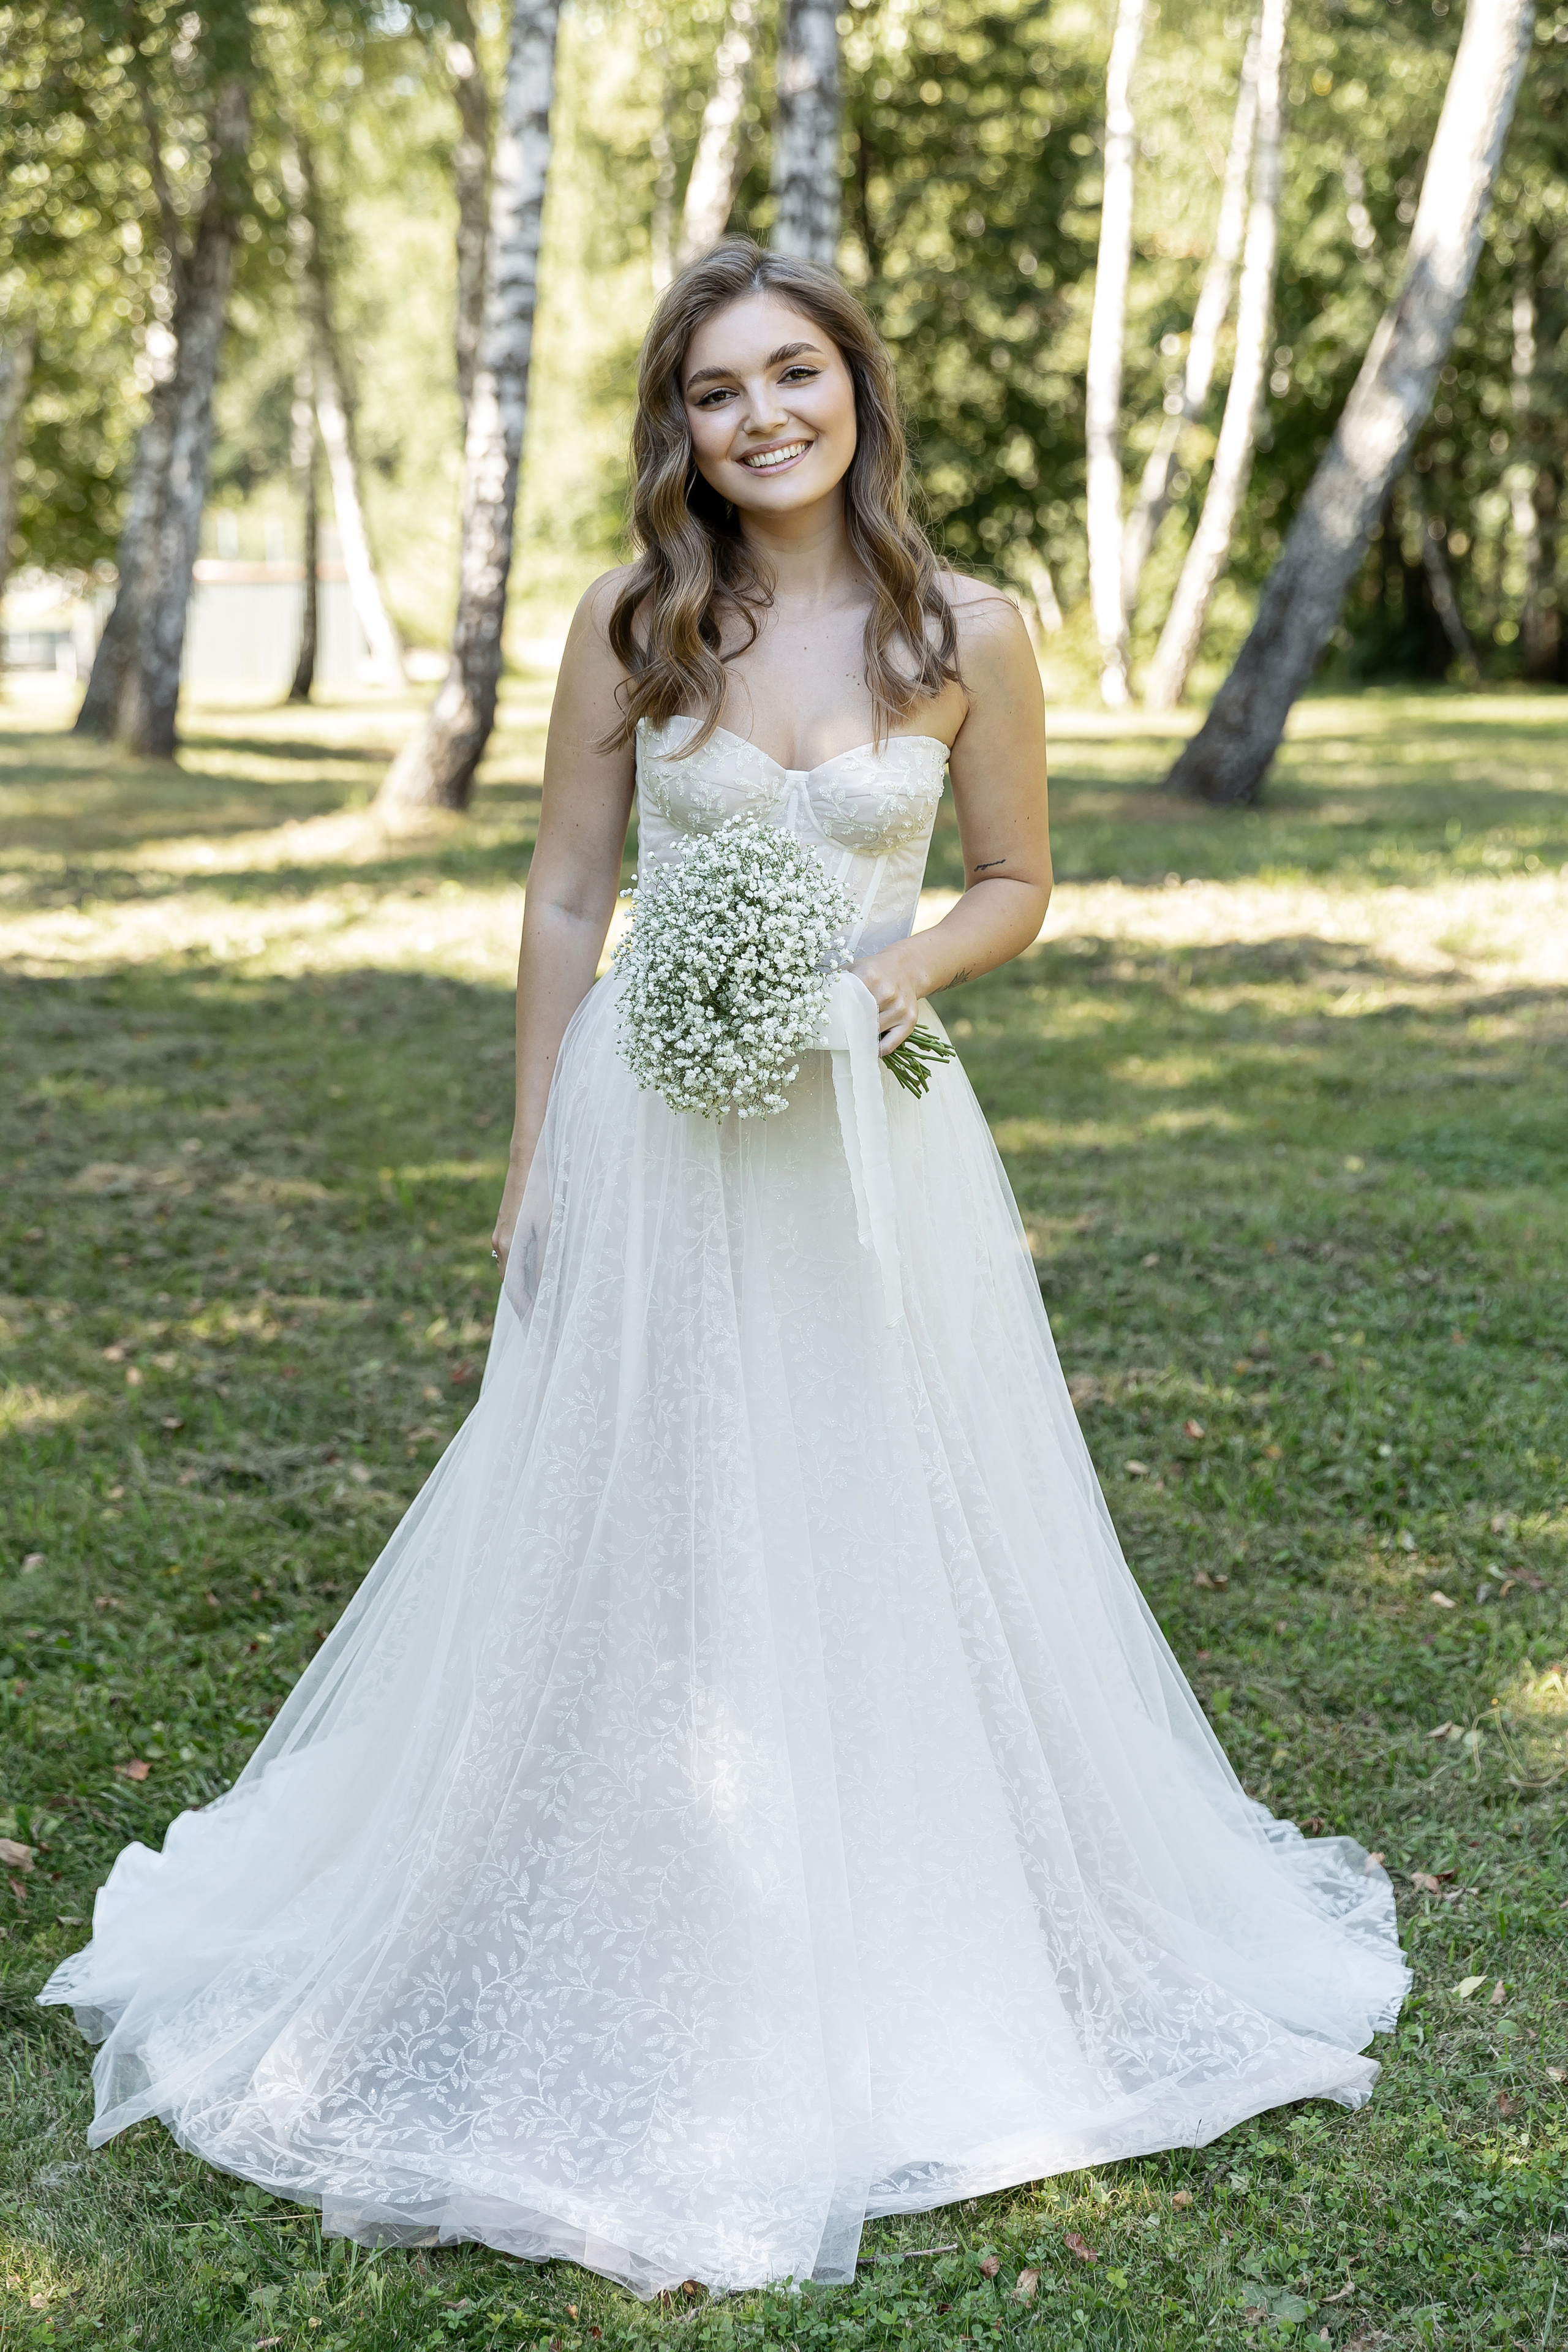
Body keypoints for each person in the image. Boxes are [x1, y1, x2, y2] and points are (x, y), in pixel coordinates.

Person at [41, 240, 1408, 2299]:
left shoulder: (967, 627)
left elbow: (1018, 878)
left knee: (875, 1489)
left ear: (858, 387)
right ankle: (635, 1868)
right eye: (716, 389)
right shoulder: (637, 621)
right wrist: (533, 1154)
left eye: (794, 373)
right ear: (678, 426)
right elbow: (566, 891)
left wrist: (905, 965)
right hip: (655, 1128)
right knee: (641, 1500)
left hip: (868, 1131)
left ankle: (895, 1903)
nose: (762, 416)